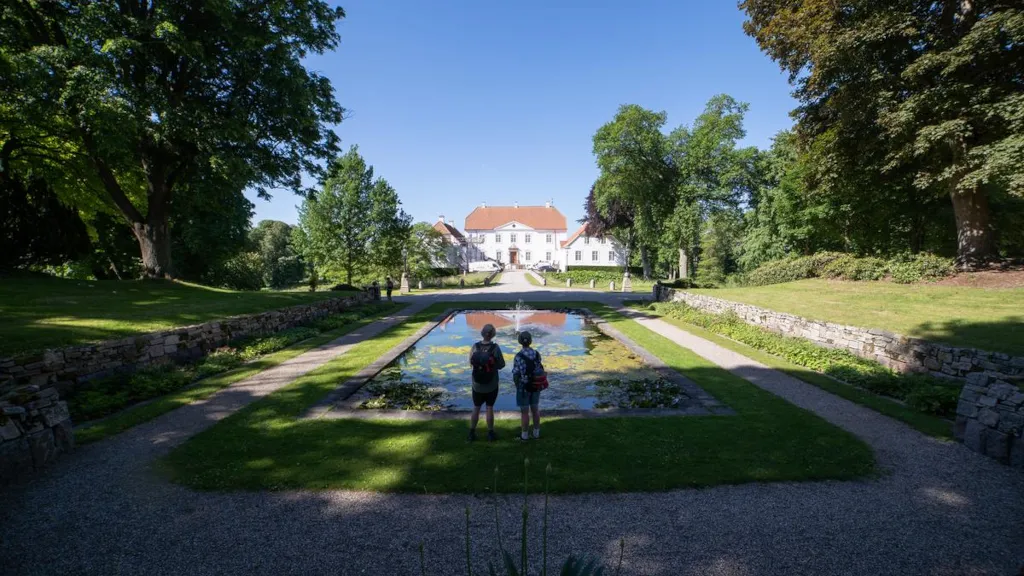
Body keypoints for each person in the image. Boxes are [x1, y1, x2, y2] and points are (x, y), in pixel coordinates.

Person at [468, 323, 505, 441]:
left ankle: (472, 432)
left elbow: (471, 362)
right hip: (491, 384)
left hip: (477, 385)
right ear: (493, 335)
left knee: (476, 407)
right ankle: (490, 433)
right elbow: (501, 365)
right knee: (489, 408)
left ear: (482, 333)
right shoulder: (495, 348)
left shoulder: (475, 347)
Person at [512, 331, 544, 441]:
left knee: (524, 412)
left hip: (523, 387)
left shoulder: (518, 356)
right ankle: (536, 433)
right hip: (535, 385)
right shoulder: (536, 354)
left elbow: (516, 373)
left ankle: (524, 435)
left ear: (520, 341)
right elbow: (539, 368)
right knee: (535, 409)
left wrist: (517, 384)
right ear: (531, 341)